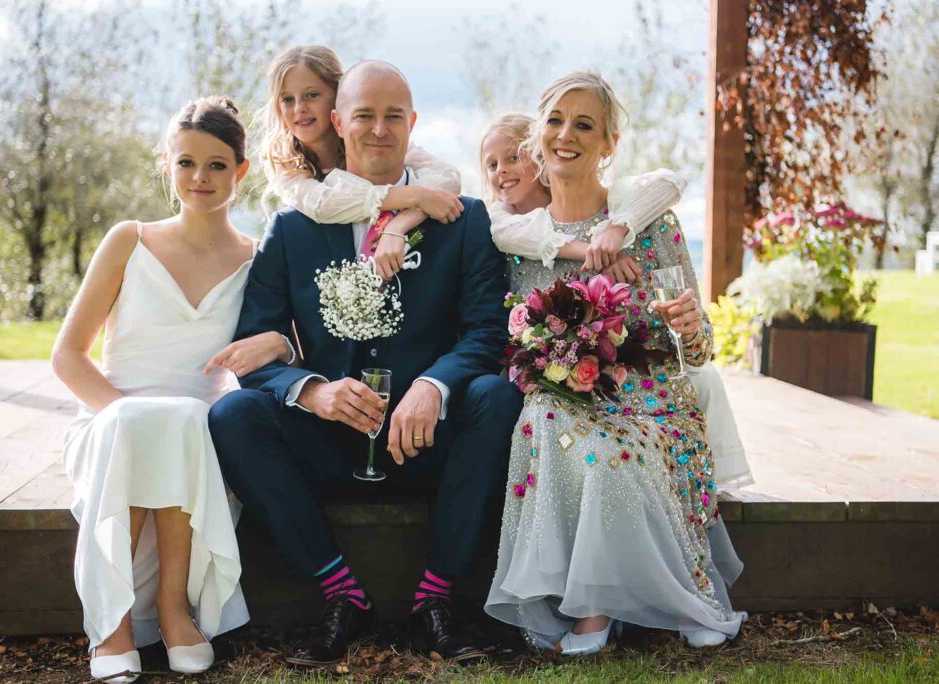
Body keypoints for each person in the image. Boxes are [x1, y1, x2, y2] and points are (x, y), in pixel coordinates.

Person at [208, 60, 523, 667]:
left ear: (413, 122)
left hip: (430, 444)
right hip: (329, 443)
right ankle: (339, 594)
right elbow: (257, 342)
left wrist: (435, 385)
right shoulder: (293, 226)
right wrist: (312, 391)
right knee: (235, 414)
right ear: (337, 122)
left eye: (392, 116)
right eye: (364, 116)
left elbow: (487, 332)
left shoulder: (464, 218)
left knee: (497, 396)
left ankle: (436, 599)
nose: (379, 129)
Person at [484, 72, 747, 655]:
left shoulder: (650, 224)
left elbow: (696, 350)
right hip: (566, 397)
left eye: (584, 125)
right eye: (555, 121)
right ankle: (594, 607)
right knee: (561, 426)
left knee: (634, 439)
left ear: (608, 143)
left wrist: (688, 328)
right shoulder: (524, 238)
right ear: (537, 139)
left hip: (649, 392)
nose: (565, 135)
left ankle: (682, 597)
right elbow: (515, 335)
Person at [53, 98, 293, 682]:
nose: (200, 178)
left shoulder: (257, 259)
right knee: (149, 422)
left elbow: (288, 346)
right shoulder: (128, 241)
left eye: (217, 165)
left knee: (182, 419)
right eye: (186, 163)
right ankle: (111, 627)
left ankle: (173, 606)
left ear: (241, 170)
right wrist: (126, 416)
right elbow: (67, 357)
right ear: (166, 164)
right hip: (111, 426)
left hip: (197, 438)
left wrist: (280, 346)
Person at [479, 114, 752, 489]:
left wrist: (620, 227)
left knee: (700, 379)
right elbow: (526, 238)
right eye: (491, 164)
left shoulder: (618, 208)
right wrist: (592, 251)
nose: (501, 171)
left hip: (628, 378)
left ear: (537, 154)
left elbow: (667, 183)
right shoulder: (503, 222)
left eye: (512, 158)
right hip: (551, 385)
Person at [259, 45, 465, 281]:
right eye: (287, 99)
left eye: (311, 95)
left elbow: (446, 179)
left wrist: (400, 225)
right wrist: (415, 196)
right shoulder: (287, 166)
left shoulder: (375, 146)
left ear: (339, 97)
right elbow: (323, 203)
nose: (300, 108)